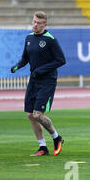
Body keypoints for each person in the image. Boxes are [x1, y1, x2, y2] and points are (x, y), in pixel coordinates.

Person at [11, 11, 66, 156]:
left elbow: (61, 60)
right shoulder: (29, 38)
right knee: (30, 115)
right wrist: (17, 66)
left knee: (37, 114)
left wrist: (41, 70)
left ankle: (57, 138)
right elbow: (25, 58)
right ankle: (43, 147)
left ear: (45, 25)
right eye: (34, 21)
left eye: (39, 23)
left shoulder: (50, 39)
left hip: (47, 81)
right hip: (34, 80)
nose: (35, 25)